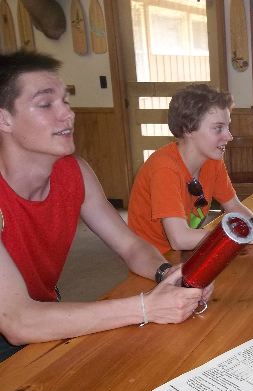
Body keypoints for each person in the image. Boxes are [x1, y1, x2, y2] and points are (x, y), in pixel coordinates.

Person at [0, 51, 212, 363]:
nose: (67, 114)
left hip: (41, 311)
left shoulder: (75, 172)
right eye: (46, 104)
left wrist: (168, 274)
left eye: (66, 101)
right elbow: (18, 322)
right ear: (4, 118)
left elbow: (130, 246)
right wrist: (146, 307)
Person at [127, 84, 253, 254]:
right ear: (188, 129)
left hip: (185, 251)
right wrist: (247, 236)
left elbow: (232, 204)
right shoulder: (164, 168)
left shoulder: (212, 160)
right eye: (218, 128)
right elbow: (179, 239)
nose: (229, 136)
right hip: (154, 258)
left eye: (227, 127)